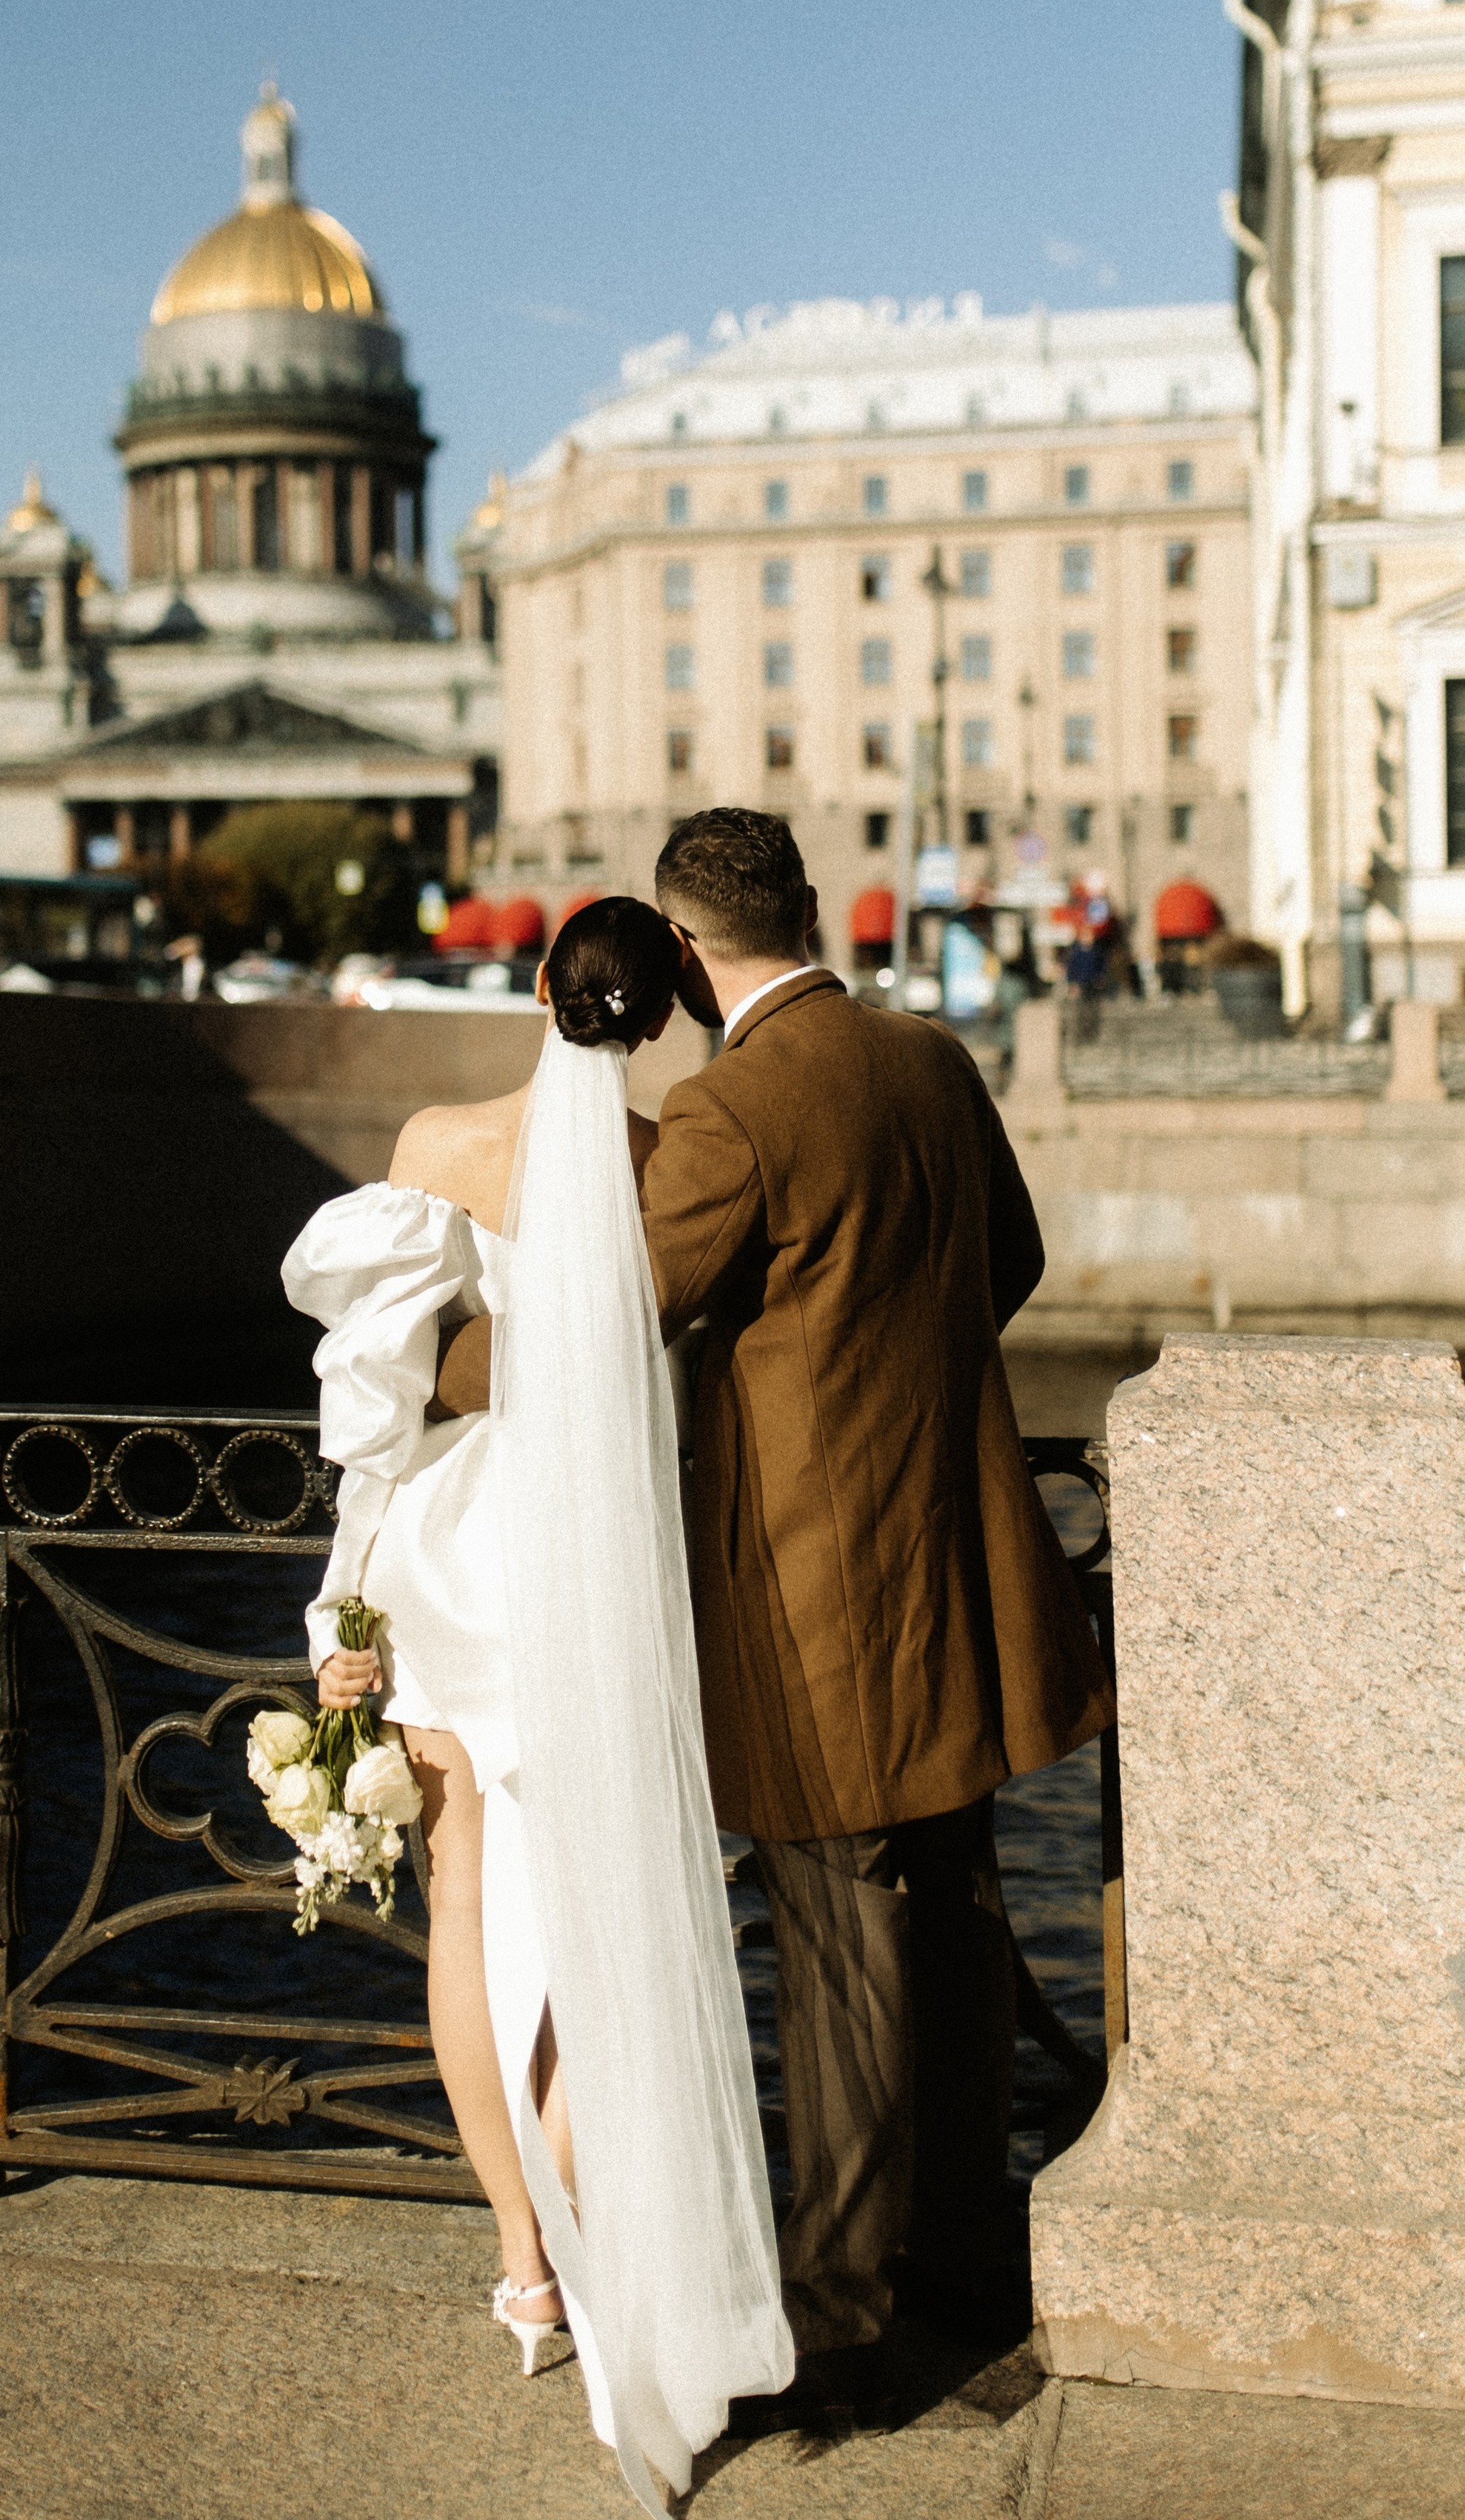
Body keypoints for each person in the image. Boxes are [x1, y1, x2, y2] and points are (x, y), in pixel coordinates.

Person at [432, 810, 1115, 2422]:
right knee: (948, 1923)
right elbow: (1006, 1255)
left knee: (840, 1951)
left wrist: (426, 1368)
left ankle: (853, 2317)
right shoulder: (929, 1060)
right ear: (804, 908)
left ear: (678, 952)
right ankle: (958, 2269)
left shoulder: (730, 1108)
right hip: (961, 1554)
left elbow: (597, 1318)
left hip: (822, 1605)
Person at [281, 896, 792, 2520]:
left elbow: (369, 1403)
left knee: (461, 1903)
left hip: (446, 1548)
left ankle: (519, 2263)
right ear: (653, 1024)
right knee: (597, 1929)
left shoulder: (438, 1138)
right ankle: (588, 2237)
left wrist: (338, 1610)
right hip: (594, 1569)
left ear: (532, 989)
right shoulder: (660, 1165)